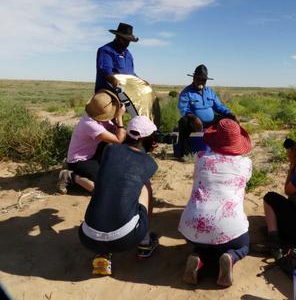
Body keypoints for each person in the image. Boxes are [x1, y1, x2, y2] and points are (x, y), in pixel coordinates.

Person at [79, 116, 160, 275]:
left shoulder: (110, 150)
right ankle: (144, 242)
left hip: (87, 237)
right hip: (125, 239)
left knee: (110, 188)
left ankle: (103, 253)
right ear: (146, 139)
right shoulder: (150, 163)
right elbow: (136, 162)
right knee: (144, 187)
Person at [178, 118, 252, 287]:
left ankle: (199, 256)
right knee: (243, 245)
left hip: (192, 225)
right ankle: (231, 257)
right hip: (229, 228)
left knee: (203, 244)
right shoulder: (246, 164)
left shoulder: (201, 158)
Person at [57, 89, 126, 193]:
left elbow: (119, 133)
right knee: (103, 189)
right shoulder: (90, 124)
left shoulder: (99, 119)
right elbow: (119, 139)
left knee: (111, 173)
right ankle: (70, 176)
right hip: (79, 160)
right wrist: (120, 117)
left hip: (92, 154)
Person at [176, 64, 237, 158]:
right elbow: (183, 109)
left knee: (228, 120)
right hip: (195, 122)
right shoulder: (186, 92)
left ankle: (228, 148)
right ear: (193, 79)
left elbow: (219, 106)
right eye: (198, 79)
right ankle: (185, 153)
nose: (200, 81)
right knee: (183, 122)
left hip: (211, 121)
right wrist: (194, 117)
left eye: (203, 80)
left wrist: (228, 113)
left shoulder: (209, 91)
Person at [95, 22, 140, 92]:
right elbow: (106, 71)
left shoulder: (128, 55)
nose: (127, 43)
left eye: (128, 41)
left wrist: (141, 82)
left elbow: (131, 73)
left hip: (127, 89)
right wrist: (116, 82)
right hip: (109, 88)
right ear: (117, 37)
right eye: (124, 40)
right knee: (126, 101)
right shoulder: (106, 50)